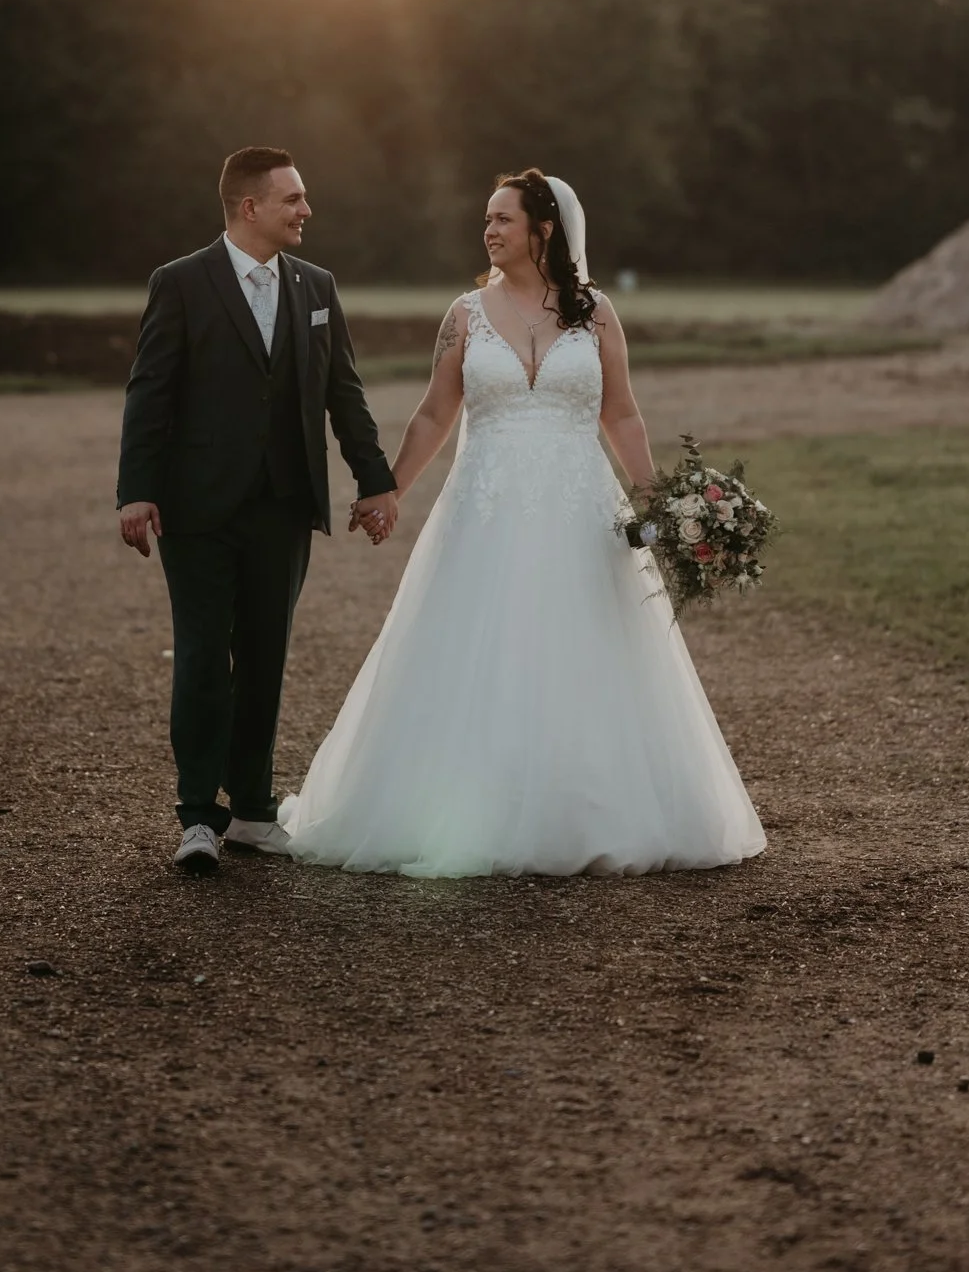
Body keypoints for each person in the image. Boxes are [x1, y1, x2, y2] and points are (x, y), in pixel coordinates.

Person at [281, 169, 766, 878]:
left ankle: (586, 809)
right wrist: (389, 491)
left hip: (580, 511)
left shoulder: (595, 313)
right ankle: (462, 807)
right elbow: (434, 414)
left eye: (502, 219)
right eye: (486, 219)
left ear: (543, 231)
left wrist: (659, 502)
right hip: (485, 511)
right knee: (476, 651)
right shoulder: (464, 314)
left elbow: (622, 414)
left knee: (587, 650)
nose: (489, 230)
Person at [116, 147, 397, 876]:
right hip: (198, 507)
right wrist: (135, 490)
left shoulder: (315, 286)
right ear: (250, 207)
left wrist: (375, 481)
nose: (306, 210)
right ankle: (197, 817)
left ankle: (251, 810)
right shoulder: (181, 282)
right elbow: (150, 392)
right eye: (292, 199)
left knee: (265, 658)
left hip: (284, 505)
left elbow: (343, 392)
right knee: (203, 656)